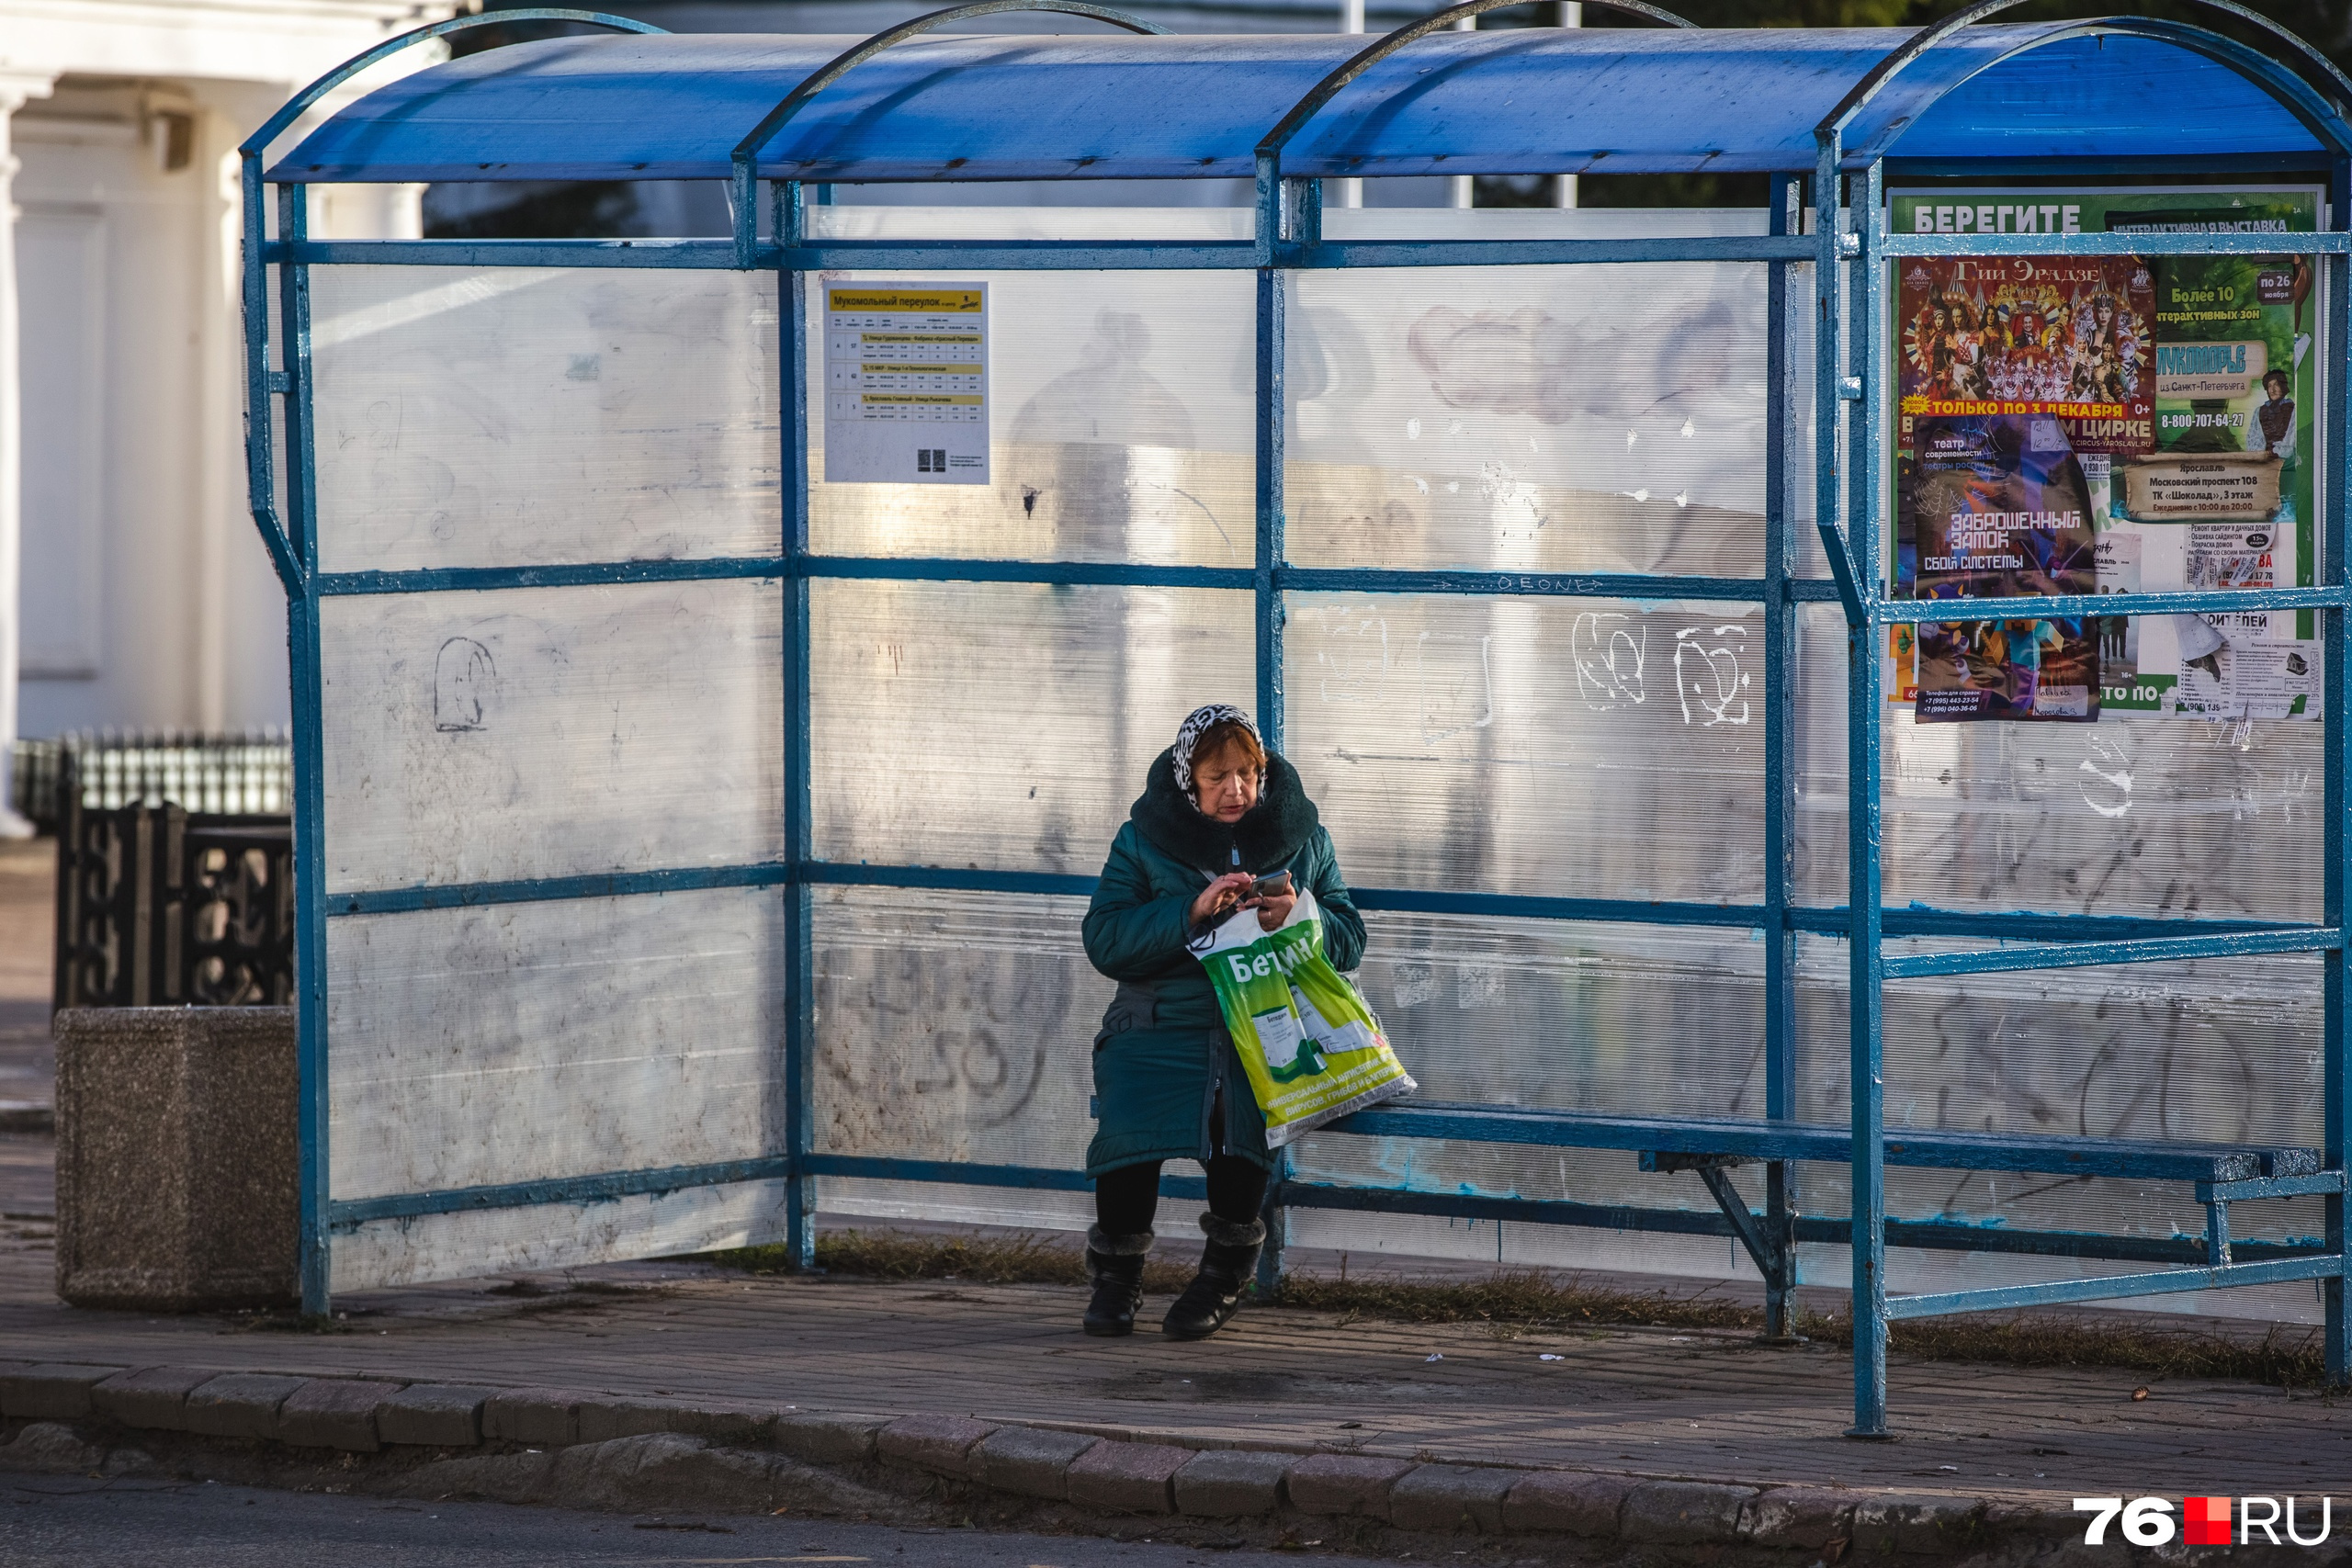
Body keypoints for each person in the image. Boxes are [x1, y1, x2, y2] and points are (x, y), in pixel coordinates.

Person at [1078, 705, 1364, 1341]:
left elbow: (1351, 937)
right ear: (1189, 781)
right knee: (1129, 1126)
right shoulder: (1143, 840)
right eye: (1217, 776)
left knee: (1243, 1110)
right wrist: (1190, 912)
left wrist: (1299, 915)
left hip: (1261, 1025)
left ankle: (1226, 1272)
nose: (1236, 789)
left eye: (1247, 773)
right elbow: (1104, 937)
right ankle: (1116, 1276)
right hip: (1157, 1021)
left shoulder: (1304, 837)